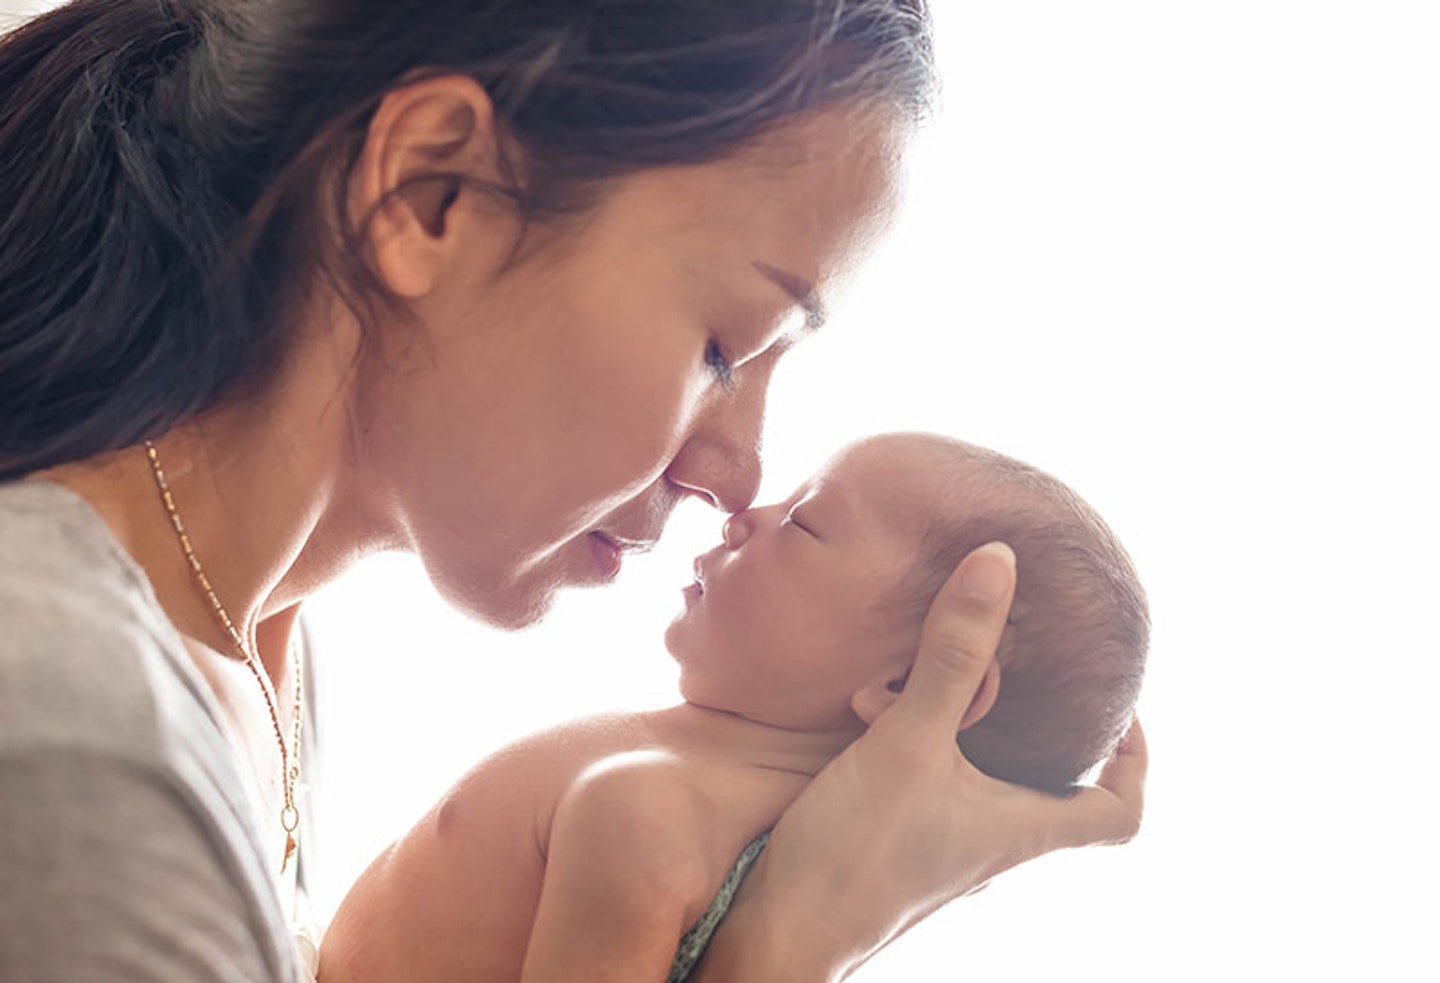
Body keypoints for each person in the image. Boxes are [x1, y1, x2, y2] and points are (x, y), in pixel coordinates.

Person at [0, 2, 1146, 982]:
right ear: (432, 190)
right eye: (722, 349)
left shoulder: (266, 650)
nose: (739, 471)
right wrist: (782, 943)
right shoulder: (80, 727)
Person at [317, 432, 1149, 983]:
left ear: (910, 685)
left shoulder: (650, 815)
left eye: (807, 521)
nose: (747, 514)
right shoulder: (697, 798)